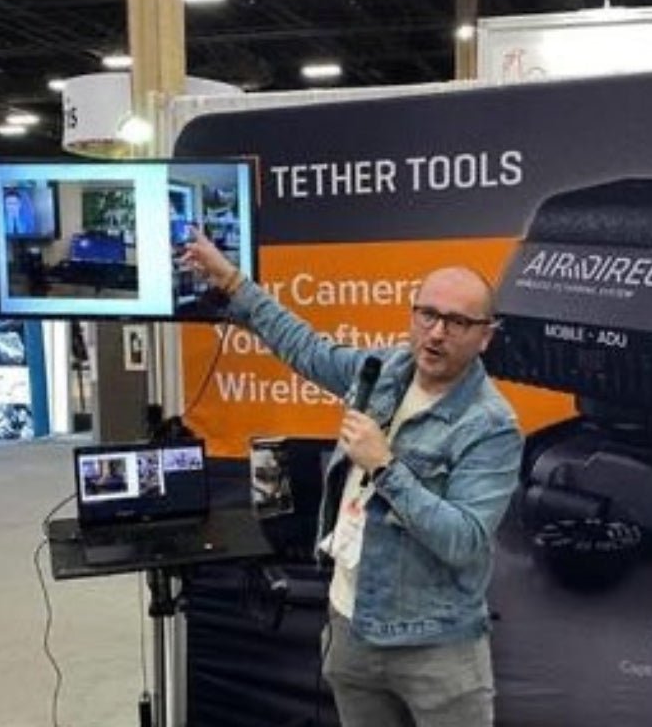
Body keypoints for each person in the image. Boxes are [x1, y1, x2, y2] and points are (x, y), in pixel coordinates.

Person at [184, 232, 523, 727]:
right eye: (427, 314)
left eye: (457, 322)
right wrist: (232, 281)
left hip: (434, 644)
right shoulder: (385, 370)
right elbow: (306, 348)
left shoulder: (491, 425)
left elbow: (464, 540)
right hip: (350, 622)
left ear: (485, 335)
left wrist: (385, 467)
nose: (436, 333)